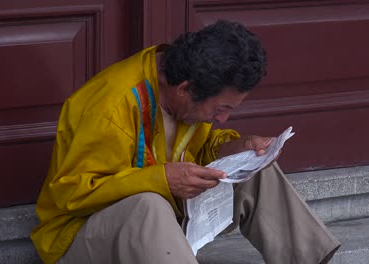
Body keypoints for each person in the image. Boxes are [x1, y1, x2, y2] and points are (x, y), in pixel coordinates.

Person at [31, 20, 340, 264]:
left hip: (164, 230)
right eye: (220, 109)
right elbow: (70, 192)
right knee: (148, 204)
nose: (223, 119)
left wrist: (238, 149)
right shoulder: (111, 105)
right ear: (185, 88)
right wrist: (162, 179)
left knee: (259, 167)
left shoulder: (187, 94)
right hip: (79, 238)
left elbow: (200, 149)